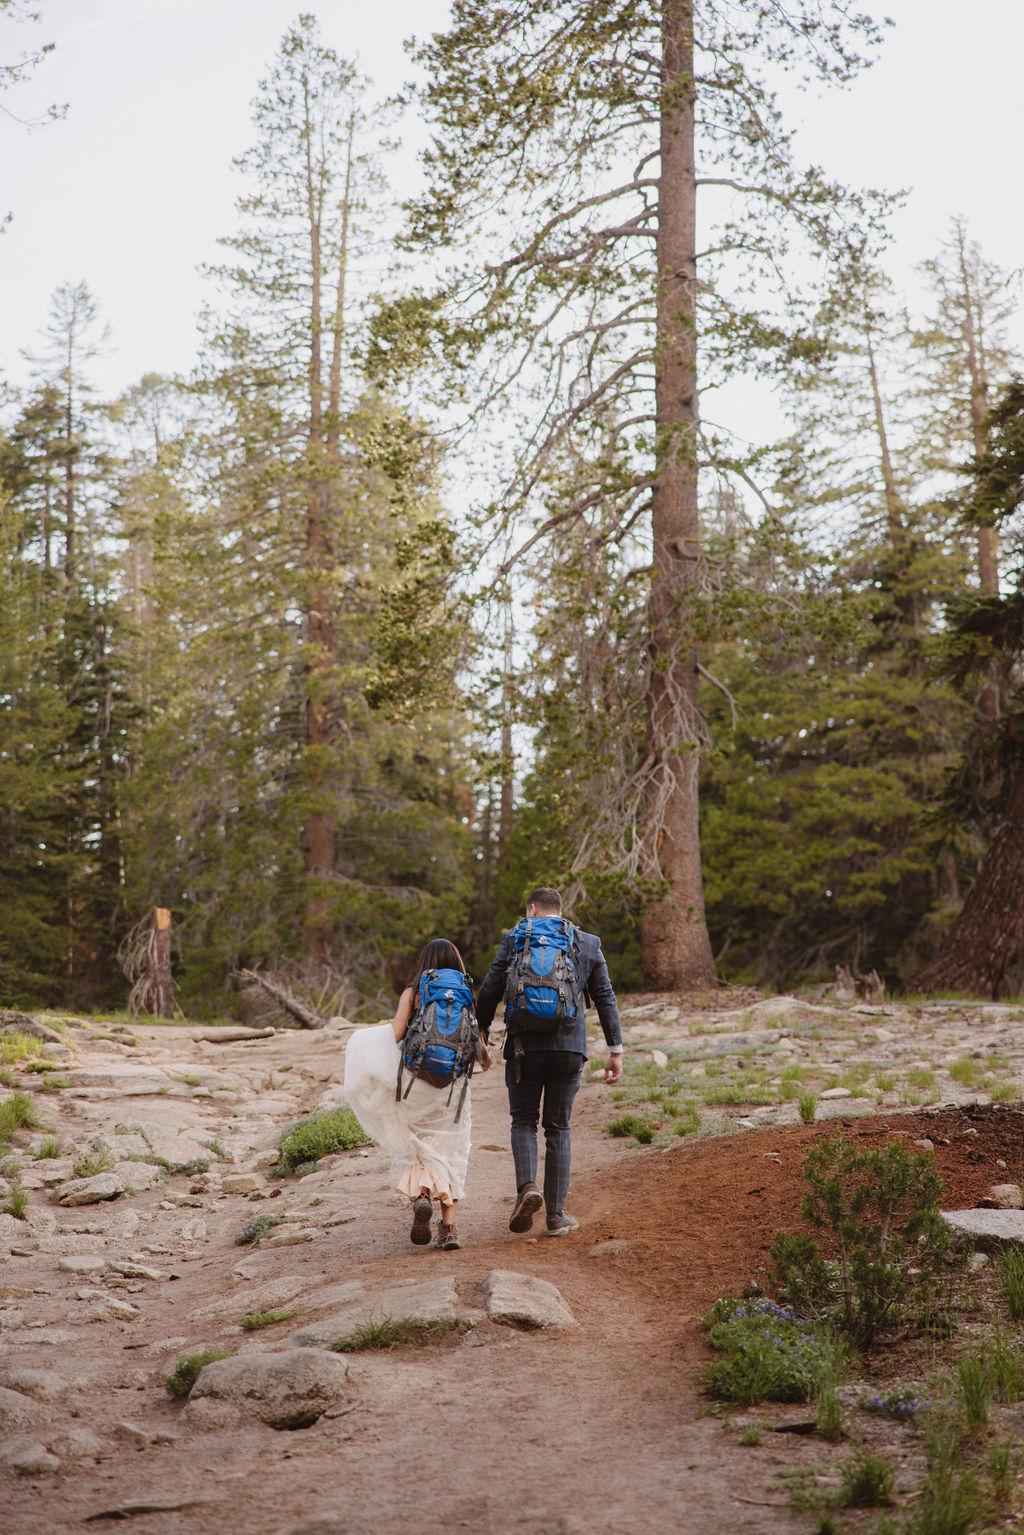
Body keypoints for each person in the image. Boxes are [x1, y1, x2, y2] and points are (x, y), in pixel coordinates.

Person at [476, 887, 622, 1237]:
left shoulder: (516, 938)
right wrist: (615, 1048)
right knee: (558, 1127)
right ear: (560, 910)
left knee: (524, 1121)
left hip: (524, 1047)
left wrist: (481, 1031)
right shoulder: (586, 942)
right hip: (569, 1047)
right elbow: (604, 995)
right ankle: (555, 1216)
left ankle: (527, 1188)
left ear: (532, 909)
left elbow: (491, 986)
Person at [343, 938, 490, 1251]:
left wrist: (362, 1042)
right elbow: (479, 1047)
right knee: (452, 1151)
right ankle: (448, 1228)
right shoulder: (465, 993)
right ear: (457, 962)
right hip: (451, 1088)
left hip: (416, 1081)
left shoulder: (415, 991)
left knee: (421, 1147)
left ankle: (423, 1196)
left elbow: (396, 1033)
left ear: (425, 962)